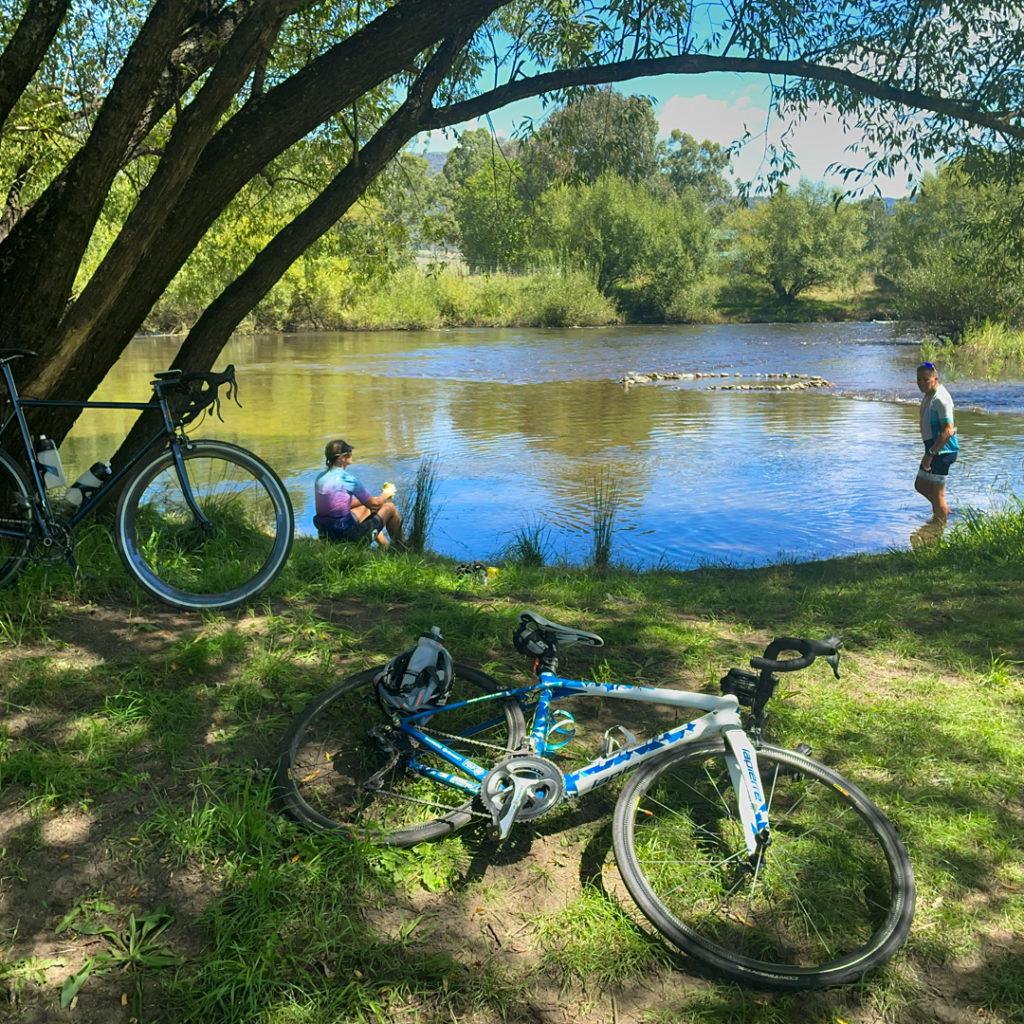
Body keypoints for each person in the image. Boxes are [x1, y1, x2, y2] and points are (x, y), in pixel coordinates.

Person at [313, 439, 403, 547]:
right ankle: (401, 548)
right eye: (349, 452)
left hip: (328, 534)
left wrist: (366, 501)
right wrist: (386, 494)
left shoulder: (320, 478)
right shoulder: (348, 479)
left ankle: (385, 546)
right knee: (390, 507)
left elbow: (338, 505)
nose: (352, 454)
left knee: (366, 508)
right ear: (342, 458)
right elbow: (375, 504)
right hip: (348, 538)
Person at [914, 362, 958, 520]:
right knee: (921, 485)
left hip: (943, 450)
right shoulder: (929, 394)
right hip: (934, 449)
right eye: (919, 379)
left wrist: (931, 453)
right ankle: (943, 511)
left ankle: (940, 525)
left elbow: (948, 430)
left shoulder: (941, 399)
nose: (921, 383)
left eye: (926, 379)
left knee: (937, 494)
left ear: (935, 379)